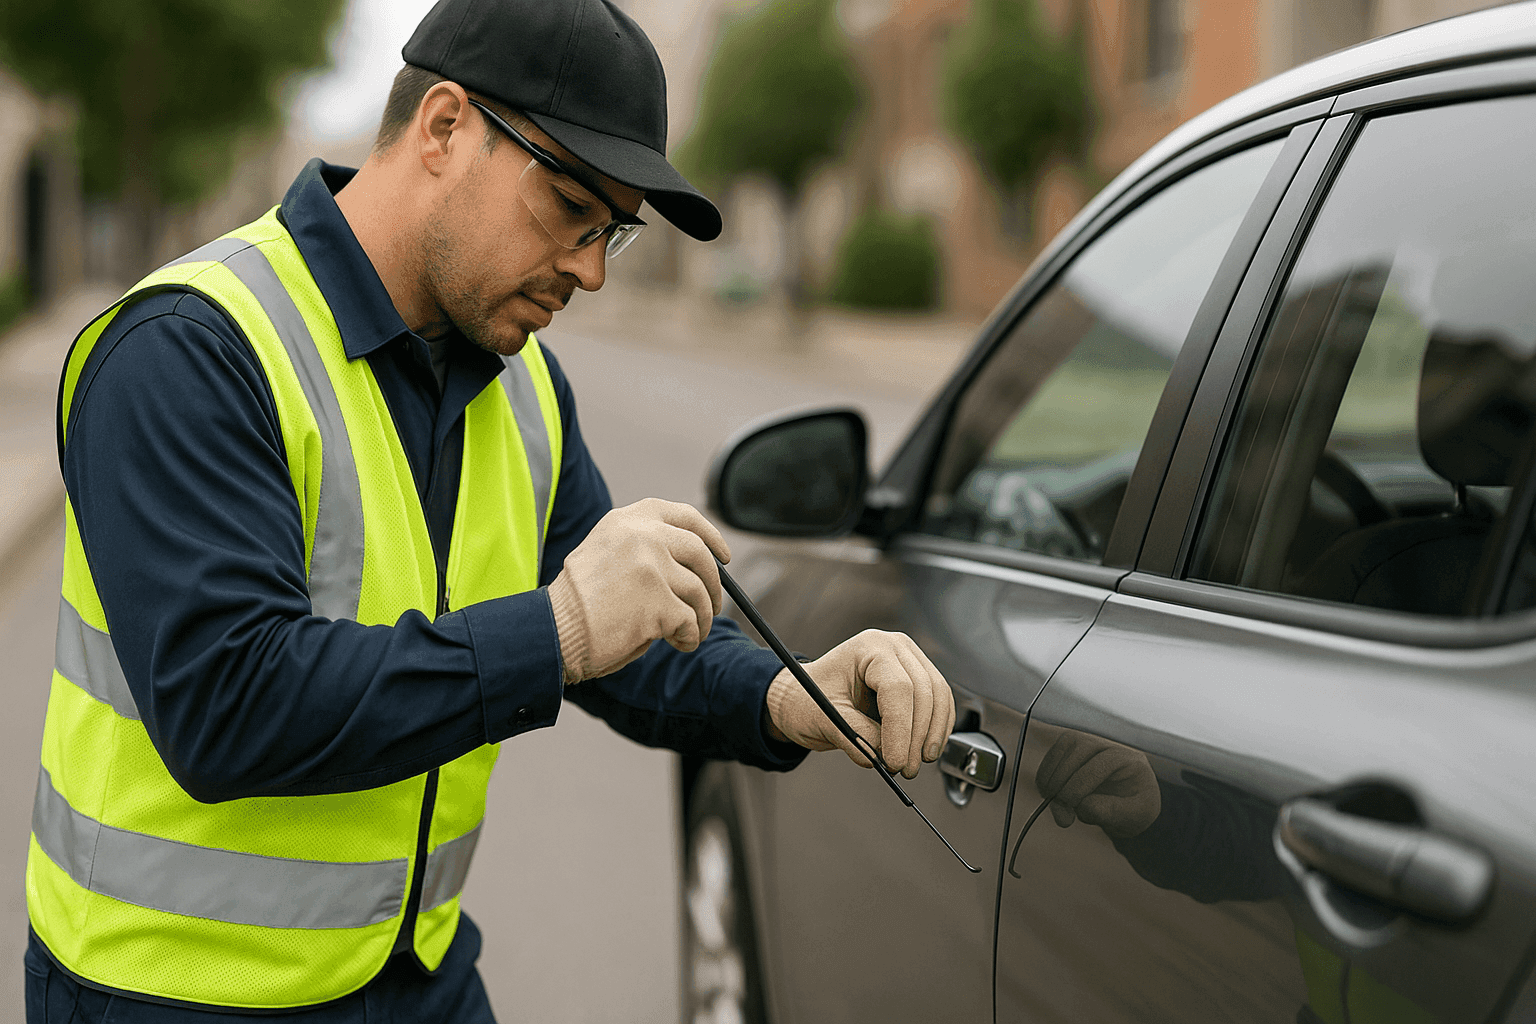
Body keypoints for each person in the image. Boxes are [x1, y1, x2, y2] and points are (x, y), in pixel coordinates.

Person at [24, 0, 955, 1020]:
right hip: (167, 991)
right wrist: (554, 631)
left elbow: (627, 636)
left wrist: (786, 693)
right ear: (442, 127)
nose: (591, 270)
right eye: (566, 207)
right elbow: (229, 707)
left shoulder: (525, 389)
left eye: (612, 233)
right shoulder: (192, 349)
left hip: (413, 975)